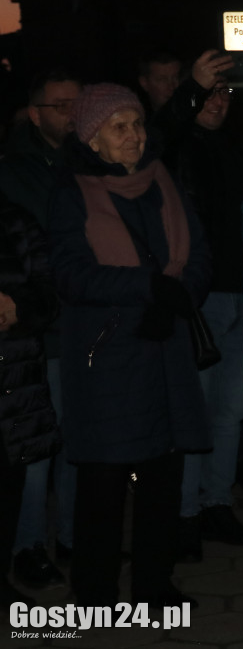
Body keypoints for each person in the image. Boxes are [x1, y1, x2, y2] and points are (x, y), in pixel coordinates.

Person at [48, 83, 211, 608]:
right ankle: (94, 592)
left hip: (165, 346)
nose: (134, 136)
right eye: (119, 127)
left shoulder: (163, 180)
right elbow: (71, 276)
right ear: (93, 138)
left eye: (138, 123)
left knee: (163, 474)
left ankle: (152, 586)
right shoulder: (73, 189)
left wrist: (177, 296)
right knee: (105, 481)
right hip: (107, 354)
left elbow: (200, 251)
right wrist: (146, 287)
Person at [154, 50, 243, 564]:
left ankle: (216, 503)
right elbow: (158, 136)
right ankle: (184, 515)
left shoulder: (238, 147)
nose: (218, 101)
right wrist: (187, 91)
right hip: (201, 298)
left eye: (225, 92)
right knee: (194, 411)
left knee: (230, 411)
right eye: (208, 92)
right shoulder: (173, 147)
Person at [0, 69, 80, 589]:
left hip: (68, 329)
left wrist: (21, 304)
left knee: (70, 441)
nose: (72, 113)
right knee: (29, 455)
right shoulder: (17, 172)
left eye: (77, 103)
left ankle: (73, 538)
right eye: (60, 105)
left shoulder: (84, 163)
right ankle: (26, 548)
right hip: (28, 350)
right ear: (35, 113)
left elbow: (40, 272)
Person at [0, 197, 60, 608]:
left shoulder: (12, 216)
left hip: (13, 379)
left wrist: (16, 304)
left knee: (8, 480)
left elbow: (48, 288)